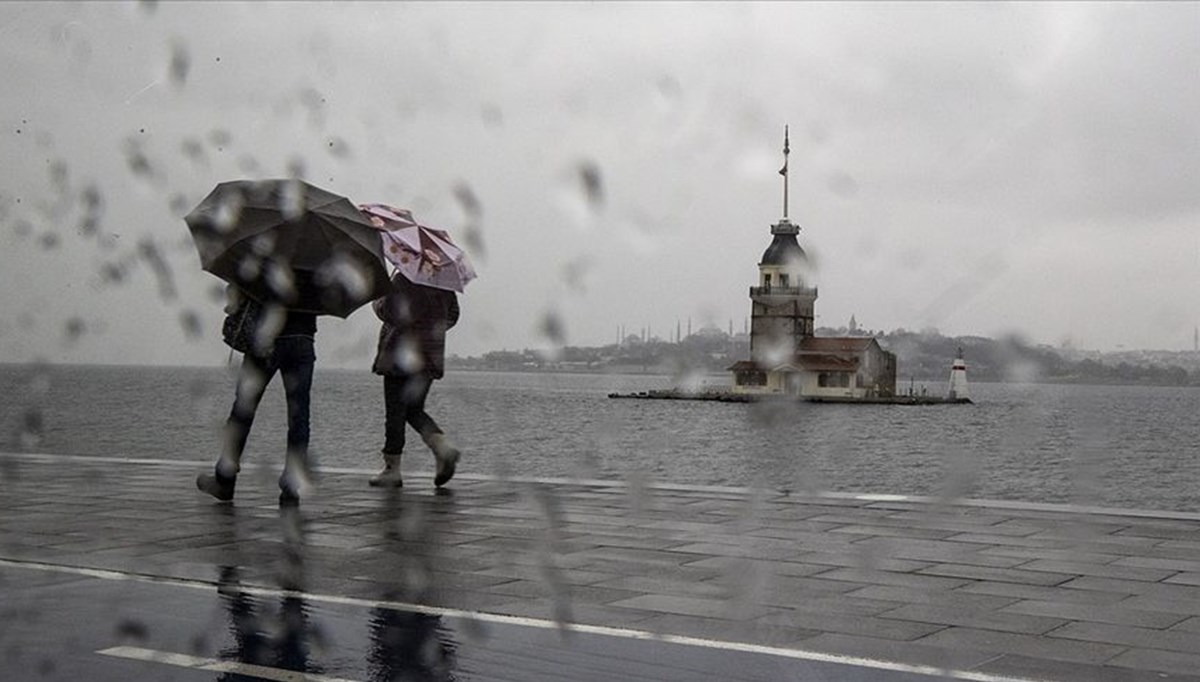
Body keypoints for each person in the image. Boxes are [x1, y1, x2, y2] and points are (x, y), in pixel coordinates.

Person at [197, 285, 317, 505]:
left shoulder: (267, 253)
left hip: (266, 339)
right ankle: (291, 487)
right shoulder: (319, 258)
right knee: (299, 416)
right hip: (302, 339)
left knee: (243, 410)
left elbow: (239, 289)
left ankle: (225, 478)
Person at [370, 271, 461, 488]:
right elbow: (453, 315)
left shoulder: (403, 278)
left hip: (400, 355)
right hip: (429, 356)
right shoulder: (442, 281)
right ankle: (442, 447)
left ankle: (392, 469)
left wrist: (378, 302)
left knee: (395, 412)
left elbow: (391, 311)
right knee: (413, 409)